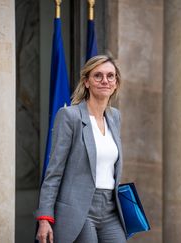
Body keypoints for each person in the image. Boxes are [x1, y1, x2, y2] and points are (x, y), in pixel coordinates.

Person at [34, 55, 127, 243]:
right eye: (98, 76)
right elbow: (54, 171)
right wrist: (44, 218)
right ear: (86, 82)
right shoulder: (70, 116)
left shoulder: (114, 117)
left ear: (116, 83)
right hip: (79, 210)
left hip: (111, 209)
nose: (105, 81)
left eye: (110, 76)